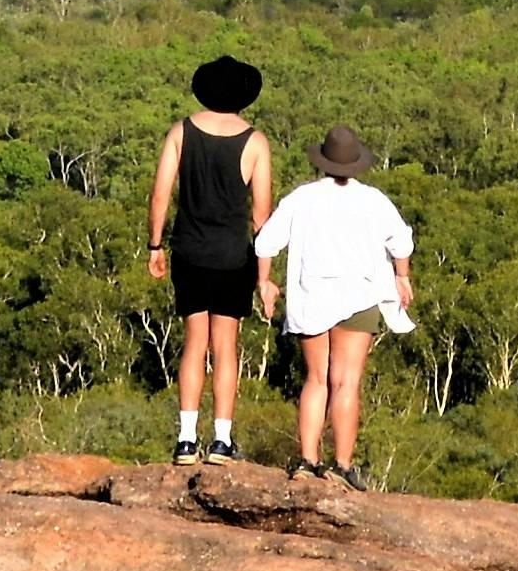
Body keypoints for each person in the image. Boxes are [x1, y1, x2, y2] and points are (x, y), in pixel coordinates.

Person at [257, 129, 416, 484]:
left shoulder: (302, 199)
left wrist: (265, 282)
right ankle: (342, 466)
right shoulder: (374, 200)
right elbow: (401, 242)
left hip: (312, 294)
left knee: (315, 379)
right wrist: (402, 277)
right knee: (346, 382)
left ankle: (307, 461)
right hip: (360, 295)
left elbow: (266, 242)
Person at [141, 58, 275, 467]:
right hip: (234, 255)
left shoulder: (181, 132)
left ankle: (185, 440)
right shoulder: (255, 142)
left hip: (189, 251)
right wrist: (264, 274)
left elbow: (160, 194)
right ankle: (221, 440)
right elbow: (262, 214)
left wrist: (155, 245)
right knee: (226, 346)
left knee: (194, 343)